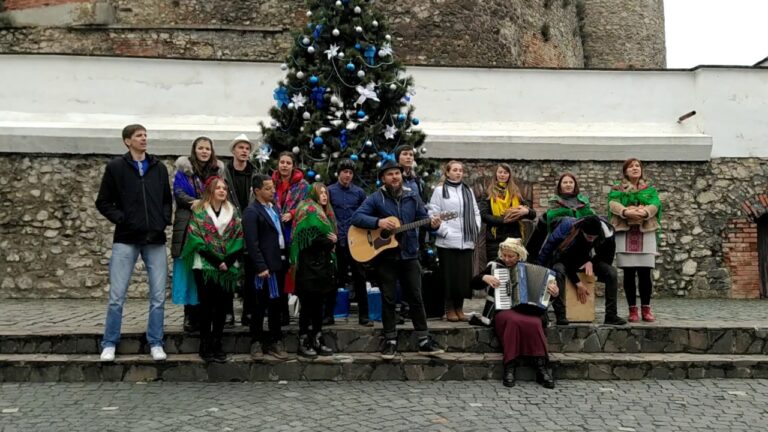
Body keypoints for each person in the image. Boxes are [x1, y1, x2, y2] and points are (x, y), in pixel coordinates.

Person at [351, 159, 445, 359]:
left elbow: (424, 220)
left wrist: (434, 225)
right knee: (389, 298)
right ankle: (390, 340)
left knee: (416, 296)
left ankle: (424, 339)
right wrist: (378, 221)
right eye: (390, 174)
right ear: (383, 178)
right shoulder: (376, 198)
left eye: (397, 173)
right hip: (386, 257)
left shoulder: (412, 197)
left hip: (409, 254)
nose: (394, 177)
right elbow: (357, 218)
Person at [95, 124, 172, 362]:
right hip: (126, 238)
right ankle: (109, 343)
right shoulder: (116, 167)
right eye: (139, 136)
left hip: (154, 239)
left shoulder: (158, 167)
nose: (144, 139)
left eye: (146, 135)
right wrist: (123, 219)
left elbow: (166, 200)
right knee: (117, 296)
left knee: (158, 296)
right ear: (127, 141)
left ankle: (156, 342)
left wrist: (162, 221)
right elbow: (103, 202)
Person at [471, 238, 558, 388]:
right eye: (504, 255)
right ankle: (509, 367)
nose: (506, 259)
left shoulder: (529, 266)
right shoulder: (495, 266)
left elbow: (545, 297)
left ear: (519, 256)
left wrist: (554, 292)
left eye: (510, 256)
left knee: (535, 323)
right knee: (513, 321)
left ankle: (541, 368)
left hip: (528, 310)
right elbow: (474, 283)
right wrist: (484, 277)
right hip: (503, 310)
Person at [180, 177, 244, 362]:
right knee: (206, 306)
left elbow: (239, 237)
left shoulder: (233, 212)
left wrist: (227, 261)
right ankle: (205, 343)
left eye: (224, 188)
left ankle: (217, 343)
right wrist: (216, 261)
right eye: (218, 188)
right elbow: (195, 238)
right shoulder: (200, 212)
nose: (222, 191)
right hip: (205, 265)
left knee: (222, 306)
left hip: (228, 265)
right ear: (210, 191)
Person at [171, 136, 224, 333]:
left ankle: (206, 315)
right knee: (189, 270)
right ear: (194, 150)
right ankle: (189, 315)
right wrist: (197, 203)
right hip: (188, 224)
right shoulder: (184, 171)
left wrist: (206, 203)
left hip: (210, 224)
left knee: (206, 269)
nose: (204, 151)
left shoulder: (217, 172)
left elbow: (220, 193)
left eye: (207, 148)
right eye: (200, 148)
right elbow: (178, 193)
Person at [538, 215, 627, 326]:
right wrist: (578, 283)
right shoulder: (570, 230)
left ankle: (611, 315)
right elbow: (562, 257)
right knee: (558, 269)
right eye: (589, 236)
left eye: (594, 237)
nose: (591, 239)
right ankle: (561, 315)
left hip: (587, 260)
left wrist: (591, 262)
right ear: (582, 231)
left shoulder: (607, 233)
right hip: (564, 259)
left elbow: (606, 256)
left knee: (611, 272)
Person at [608, 158, 662, 322]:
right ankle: (632, 309)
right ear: (625, 171)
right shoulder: (617, 188)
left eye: (637, 166)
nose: (635, 168)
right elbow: (612, 203)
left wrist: (644, 212)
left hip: (645, 232)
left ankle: (646, 308)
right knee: (629, 273)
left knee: (645, 273)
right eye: (631, 166)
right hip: (625, 232)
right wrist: (625, 211)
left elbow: (655, 204)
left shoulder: (650, 190)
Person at [428, 160, 481, 322]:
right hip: (448, 241)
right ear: (447, 172)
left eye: (460, 170)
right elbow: (433, 213)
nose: (458, 173)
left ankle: (460, 309)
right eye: (455, 170)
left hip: (467, 240)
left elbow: (475, 211)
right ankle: (450, 309)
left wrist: (476, 227)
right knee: (450, 277)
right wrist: (445, 232)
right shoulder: (439, 191)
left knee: (463, 278)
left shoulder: (468, 190)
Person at [242, 174, 288, 359]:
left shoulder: (274, 208)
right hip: (262, 267)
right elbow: (252, 243)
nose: (273, 191)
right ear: (257, 191)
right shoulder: (252, 212)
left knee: (276, 304)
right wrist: (260, 266)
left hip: (278, 263)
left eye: (273, 187)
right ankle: (256, 341)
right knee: (258, 305)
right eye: (268, 188)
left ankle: (275, 339)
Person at [291, 183, 338, 358]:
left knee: (319, 304)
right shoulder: (309, 210)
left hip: (323, 265)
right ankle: (304, 340)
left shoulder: (326, 213)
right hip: (308, 266)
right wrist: (331, 241)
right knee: (307, 305)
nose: (324, 196)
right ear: (313, 194)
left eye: (326, 193)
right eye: (321, 193)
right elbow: (311, 239)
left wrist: (332, 240)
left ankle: (317, 338)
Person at [328, 159, 371, 326]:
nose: (347, 175)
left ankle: (364, 315)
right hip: (336, 240)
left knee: (360, 276)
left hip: (355, 241)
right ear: (339, 173)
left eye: (350, 173)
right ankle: (327, 314)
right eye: (345, 172)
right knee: (334, 277)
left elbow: (366, 213)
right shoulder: (330, 191)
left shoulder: (359, 193)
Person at [221, 133, 258, 327]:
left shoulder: (256, 174)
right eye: (241, 148)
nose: (244, 151)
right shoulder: (224, 174)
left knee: (250, 270)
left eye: (247, 148)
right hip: (229, 227)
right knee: (229, 269)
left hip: (250, 227)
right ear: (233, 151)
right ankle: (227, 312)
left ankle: (249, 311)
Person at [272, 151, 310, 325]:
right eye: (282, 162)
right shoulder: (270, 182)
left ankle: (299, 313)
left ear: (293, 165)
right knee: (278, 273)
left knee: (294, 272)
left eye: (288, 163)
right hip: (274, 233)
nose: (284, 165)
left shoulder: (302, 185)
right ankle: (280, 313)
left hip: (293, 233)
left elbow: (306, 205)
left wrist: (292, 213)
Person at [478, 163, 536, 264]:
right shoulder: (488, 193)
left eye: (505, 172)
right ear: (496, 174)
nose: (502, 175)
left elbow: (533, 215)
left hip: (514, 238)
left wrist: (526, 211)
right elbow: (484, 215)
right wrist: (503, 220)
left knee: (514, 270)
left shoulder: (516, 192)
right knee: (496, 268)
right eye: (500, 172)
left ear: (509, 175)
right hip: (495, 239)